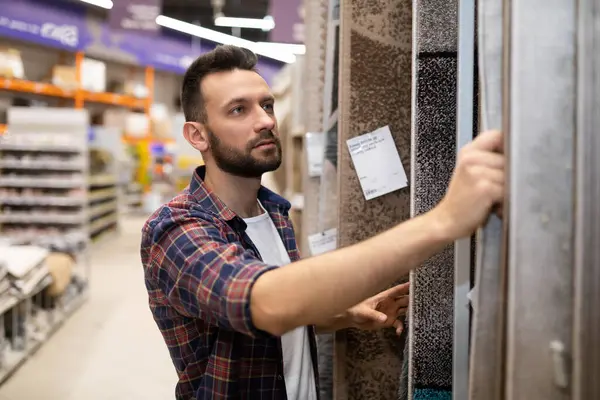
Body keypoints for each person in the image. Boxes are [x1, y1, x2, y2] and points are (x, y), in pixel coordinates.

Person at [140, 45, 504, 400]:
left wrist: (343, 314)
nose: (266, 120)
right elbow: (264, 303)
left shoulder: (273, 212)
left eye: (266, 105)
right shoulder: (175, 229)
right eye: (238, 110)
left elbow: (265, 328)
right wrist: (444, 220)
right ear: (197, 135)